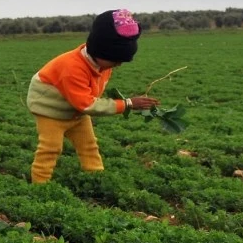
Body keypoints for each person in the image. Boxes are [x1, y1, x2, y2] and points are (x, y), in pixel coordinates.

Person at [26, 9, 158, 183]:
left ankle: (96, 179)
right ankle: (40, 186)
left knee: (89, 146)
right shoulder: (72, 68)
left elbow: (87, 99)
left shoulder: (104, 65)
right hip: (51, 112)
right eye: (115, 60)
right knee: (50, 148)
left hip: (76, 112)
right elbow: (87, 104)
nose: (118, 64)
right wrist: (127, 104)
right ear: (99, 52)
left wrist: (125, 103)